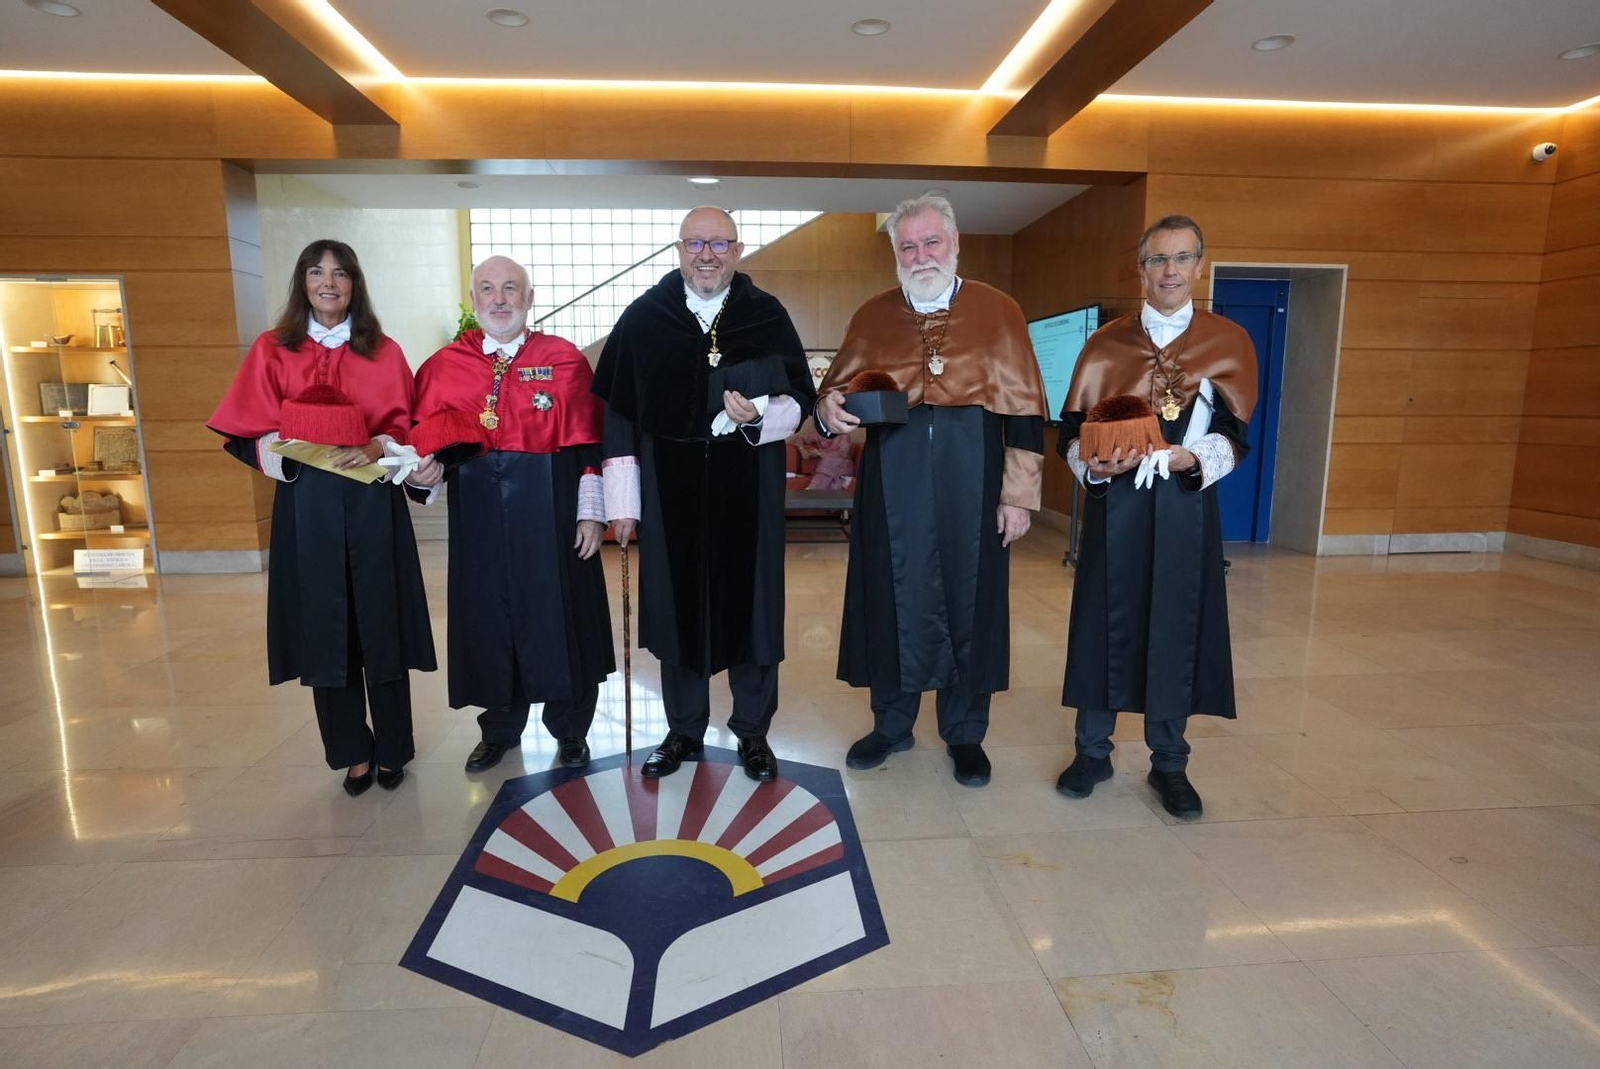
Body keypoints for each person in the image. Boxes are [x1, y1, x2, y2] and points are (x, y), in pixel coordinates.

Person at [815, 195, 1048, 788]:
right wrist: (829, 411)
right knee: (890, 598)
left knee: (971, 603)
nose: (921, 256)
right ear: (897, 254)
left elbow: (1024, 410)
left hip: (976, 479)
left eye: (931, 243)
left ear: (955, 243)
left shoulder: (1000, 311)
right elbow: (830, 400)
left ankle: (965, 733)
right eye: (908, 247)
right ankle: (892, 725)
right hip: (891, 482)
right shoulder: (872, 315)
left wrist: (1017, 497)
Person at [592, 207, 815, 781]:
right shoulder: (644, 319)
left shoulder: (766, 315)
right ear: (679, 248)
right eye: (696, 243)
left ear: (737, 251)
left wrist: (758, 414)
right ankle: (684, 729)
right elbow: (619, 413)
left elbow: (798, 400)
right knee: (676, 609)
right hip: (672, 497)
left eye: (719, 243)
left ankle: (753, 733)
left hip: (751, 493)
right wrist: (621, 504)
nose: (707, 254)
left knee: (754, 612)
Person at [208, 238, 435, 796]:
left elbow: (409, 426)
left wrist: (379, 447)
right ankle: (351, 752)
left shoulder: (383, 351)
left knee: (380, 626)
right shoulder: (272, 349)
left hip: (371, 505)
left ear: (355, 283)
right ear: (302, 282)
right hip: (307, 507)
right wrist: (289, 455)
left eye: (340, 273)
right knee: (325, 632)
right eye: (316, 272)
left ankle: (393, 749)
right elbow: (243, 433)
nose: (328, 282)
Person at [1054, 214, 1259, 819]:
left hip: (1184, 506)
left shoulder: (1230, 342)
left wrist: (1187, 456)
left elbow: (1236, 433)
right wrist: (1096, 466)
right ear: (1140, 270)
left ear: (1199, 266)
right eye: (1156, 260)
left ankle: (1169, 763)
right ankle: (1092, 751)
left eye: (1181, 259)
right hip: (1115, 507)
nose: (1169, 271)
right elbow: (1071, 432)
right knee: (1102, 624)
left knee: (1176, 624)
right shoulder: (1105, 344)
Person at [409, 255, 614, 774]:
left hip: (554, 519)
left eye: (510, 289)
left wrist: (591, 514)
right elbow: (422, 452)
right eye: (487, 289)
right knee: (488, 621)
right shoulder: (440, 368)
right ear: (473, 298)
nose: (499, 299)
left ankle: (571, 731)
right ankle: (499, 728)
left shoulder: (564, 359)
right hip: (478, 521)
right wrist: (419, 477)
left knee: (562, 618)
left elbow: (590, 445)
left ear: (529, 297)